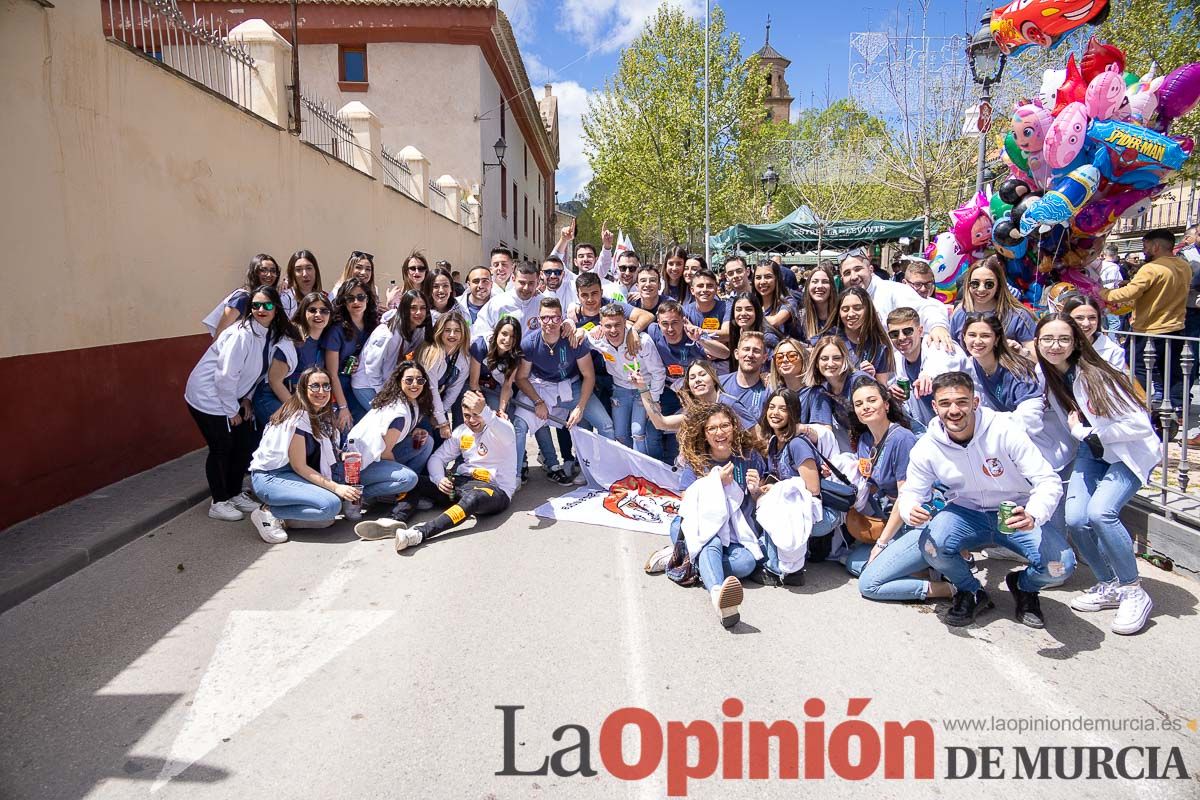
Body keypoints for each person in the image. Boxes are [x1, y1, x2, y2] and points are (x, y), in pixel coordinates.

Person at [898, 372, 1074, 629]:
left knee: (1061, 565)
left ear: (976, 402)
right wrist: (909, 510)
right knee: (931, 547)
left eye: (962, 402)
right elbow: (913, 492)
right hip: (965, 513)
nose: (954, 410)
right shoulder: (926, 447)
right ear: (934, 406)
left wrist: (1033, 513)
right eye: (945, 403)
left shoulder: (1005, 429)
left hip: (1014, 512)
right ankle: (970, 591)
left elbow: (1047, 480)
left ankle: (1024, 587)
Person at [1035, 314, 1157, 635]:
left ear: (1076, 342)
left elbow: (1139, 425)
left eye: (1063, 339)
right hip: (1094, 452)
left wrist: (1085, 432)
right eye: (1047, 339)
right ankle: (1109, 584)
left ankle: (1133, 590)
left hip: (1127, 454)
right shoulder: (1050, 375)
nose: (1055, 345)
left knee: (1101, 513)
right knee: (1076, 518)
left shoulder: (1094, 376)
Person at [186, 285, 298, 520]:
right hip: (208, 396)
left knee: (244, 443)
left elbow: (256, 373)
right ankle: (219, 501)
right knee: (222, 447)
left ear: (276, 309)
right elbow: (225, 376)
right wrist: (231, 410)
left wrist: (245, 400)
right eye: (255, 305)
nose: (260, 309)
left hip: (232, 396)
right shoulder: (241, 334)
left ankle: (234, 492)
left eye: (266, 305)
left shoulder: (268, 334)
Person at [387, 390, 518, 552]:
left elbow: (506, 434)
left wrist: (484, 411)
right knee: (415, 480)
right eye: (467, 415)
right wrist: (439, 478)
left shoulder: (501, 427)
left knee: (474, 498)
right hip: (462, 483)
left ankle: (420, 533)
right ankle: (394, 521)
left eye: (476, 414)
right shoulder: (461, 431)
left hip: (494, 491)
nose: (472, 420)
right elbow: (437, 458)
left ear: (486, 411)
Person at [675, 402, 767, 628]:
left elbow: (761, 499)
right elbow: (687, 501)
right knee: (710, 539)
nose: (719, 433)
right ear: (704, 434)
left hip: (735, 533)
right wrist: (715, 483)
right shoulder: (697, 460)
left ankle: (690, 561)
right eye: (712, 428)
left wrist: (756, 492)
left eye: (725, 426)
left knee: (745, 564)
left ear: (734, 428)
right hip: (700, 529)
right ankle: (718, 597)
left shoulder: (749, 457)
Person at [247, 367, 358, 543]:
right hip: (271, 477)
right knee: (331, 504)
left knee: (326, 519)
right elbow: (299, 466)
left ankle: (283, 520)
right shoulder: (298, 416)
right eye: (315, 386)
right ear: (303, 389)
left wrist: (341, 456)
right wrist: (336, 487)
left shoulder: (318, 412)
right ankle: (268, 512)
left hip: (290, 473)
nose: (321, 391)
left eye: (326, 386)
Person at [514, 297, 616, 485]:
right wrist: (537, 401)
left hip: (571, 386)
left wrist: (580, 407)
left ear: (562, 319)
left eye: (555, 318)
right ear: (538, 319)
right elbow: (521, 377)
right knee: (519, 426)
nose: (550, 323)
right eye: (545, 318)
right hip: (541, 387)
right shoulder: (530, 343)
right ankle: (514, 476)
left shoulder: (573, 339)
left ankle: (603, 471)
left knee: (606, 425)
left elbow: (588, 376)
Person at [1100, 229, 1191, 436]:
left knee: (1136, 369)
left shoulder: (1151, 268)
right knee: (1173, 372)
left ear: (1155, 247)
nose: (1144, 250)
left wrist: (1102, 292)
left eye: (1145, 246)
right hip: (1176, 327)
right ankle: (1176, 408)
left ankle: (1137, 406)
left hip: (1149, 329)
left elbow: (1128, 294)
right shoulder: (1183, 266)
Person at [755, 389, 841, 581]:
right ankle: (781, 564)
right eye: (772, 407)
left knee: (773, 506)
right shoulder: (774, 442)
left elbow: (813, 488)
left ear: (793, 413)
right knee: (767, 501)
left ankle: (779, 570)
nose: (775, 413)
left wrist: (777, 490)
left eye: (782, 409)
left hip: (819, 513)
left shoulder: (797, 444)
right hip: (796, 509)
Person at [347, 361, 437, 534]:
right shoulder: (398, 412)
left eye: (420, 380)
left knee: (427, 443)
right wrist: (403, 476)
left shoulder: (411, 402)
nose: (415, 385)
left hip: (375, 457)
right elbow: (386, 452)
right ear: (399, 381)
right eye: (409, 380)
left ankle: (401, 493)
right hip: (357, 468)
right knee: (409, 479)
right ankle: (360, 496)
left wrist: (415, 430)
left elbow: (393, 438)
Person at [842, 377, 918, 577]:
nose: (865, 407)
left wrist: (881, 544)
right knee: (854, 563)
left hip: (910, 518)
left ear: (886, 404)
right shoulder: (865, 440)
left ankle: (934, 579)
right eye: (859, 404)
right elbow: (872, 483)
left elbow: (905, 498)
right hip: (885, 515)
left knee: (869, 574)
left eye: (871, 400)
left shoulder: (903, 439)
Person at [644, 301, 728, 462]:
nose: (670, 329)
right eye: (665, 324)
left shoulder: (693, 335)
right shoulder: (653, 331)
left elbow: (724, 353)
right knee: (653, 428)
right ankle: (659, 468)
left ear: (683, 321)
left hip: (695, 392)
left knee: (690, 429)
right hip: (668, 389)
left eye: (675, 323)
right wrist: (633, 332)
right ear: (658, 323)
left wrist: (701, 339)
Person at [586, 304, 666, 454]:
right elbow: (579, 336)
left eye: (618, 325)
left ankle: (643, 473)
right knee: (620, 435)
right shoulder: (597, 339)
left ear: (625, 322)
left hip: (644, 390)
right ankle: (629, 472)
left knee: (638, 433)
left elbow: (658, 372)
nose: (613, 330)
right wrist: (573, 325)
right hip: (620, 390)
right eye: (608, 326)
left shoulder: (642, 341)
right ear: (601, 326)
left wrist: (653, 401)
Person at [839, 249, 953, 348]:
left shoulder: (891, 290)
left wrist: (938, 326)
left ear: (871, 269)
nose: (853, 277)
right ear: (842, 278)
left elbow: (926, 308)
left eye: (858, 269)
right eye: (847, 273)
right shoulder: (843, 303)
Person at [885, 307, 969, 432]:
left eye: (908, 331)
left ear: (920, 331)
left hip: (965, 424)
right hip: (931, 431)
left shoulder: (939, 346)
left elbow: (945, 363)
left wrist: (928, 376)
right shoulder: (896, 360)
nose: (901, 338)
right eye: (894, 334)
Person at [960, 312, 1043, 434]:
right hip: (1005, 431)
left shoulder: (1017, 373)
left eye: (985, 336)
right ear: (964, 337)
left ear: (996, 339)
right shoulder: (973, 364)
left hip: (1038, 436)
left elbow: (1031, 419)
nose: (977, 341)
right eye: (972, 335)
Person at [468, 315, 530, 479]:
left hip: (498, 390)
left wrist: (501, 410)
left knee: (501, 422)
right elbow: (473, 383)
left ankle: (516, 462)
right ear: (496, 333)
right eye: (504, 334)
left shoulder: (515, 355)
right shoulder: (480, 346)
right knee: (478, 421)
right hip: (478, 389)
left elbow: (507, 385)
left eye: (513, 336)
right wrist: (481, 406)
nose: (507, 340)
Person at [356, 289, 429, 415]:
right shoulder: (386, 334)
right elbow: (371, 370)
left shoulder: (418, 330)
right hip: (367, 385)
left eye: (423, 308)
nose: (419, 312)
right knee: (388, 420)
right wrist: (385, 394)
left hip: (387, 384)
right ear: (404, 309)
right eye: (413, 308)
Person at [324, 278, 380, 429]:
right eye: (350, 298)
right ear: (344, 302)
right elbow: (332, 374)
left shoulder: (374, 326)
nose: (356, 301)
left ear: (368, 299)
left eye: (361, 297)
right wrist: (343, 408)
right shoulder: (336, 331)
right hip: (342, 389)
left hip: (368, 385)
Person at [633, 359, 722, 450]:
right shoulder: (694, 415)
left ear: (714, 378)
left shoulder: (730, 404)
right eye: (692, 378)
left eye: (702, 375)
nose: (697, 380)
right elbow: (661, 423)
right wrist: (643, 388)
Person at [950, 256, 1036, 349]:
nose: (981, 289)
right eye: (975, 283)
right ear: (968, 285)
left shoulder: (1018, 316)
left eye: (989, 284)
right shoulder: (960, 313)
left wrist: (1021, 352)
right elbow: (952, 351)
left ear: (998, 285)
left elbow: (1036, 356)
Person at [415, 311, 470, 440]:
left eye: (457, 330)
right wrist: (442, 421)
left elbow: (453, 391)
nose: (452, 335)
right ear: (440, 332)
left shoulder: (464, 358)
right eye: (447, 330)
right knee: (427, 439)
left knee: (443, 440)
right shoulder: (431, 354)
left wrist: (440, 415)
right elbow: (431, 389)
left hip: (438, 405)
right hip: (420, 403)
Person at [823, 286, 894, 384]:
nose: (851, 314)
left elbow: (883, 390)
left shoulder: (879, 347)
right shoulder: (828, 339)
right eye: (845, 309)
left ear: (868, 310)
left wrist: (871, 378)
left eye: (857, 308)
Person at [204, 254, 281, 337]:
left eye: (273, 271)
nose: (269, 274)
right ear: (254, 272)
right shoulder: (241, 298)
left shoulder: (273, 298)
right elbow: (220, 333)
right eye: (263, 270)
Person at [472, 261, 544, 340]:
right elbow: (480, 329)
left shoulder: (543, 304)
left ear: (537, 282)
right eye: (522, 283)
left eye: (531, 283)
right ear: (513, 279)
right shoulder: (498, 303)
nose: (526, 288)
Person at [718, 332, 770, 429]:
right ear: (736, 354)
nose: (750, 355)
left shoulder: (768, 390)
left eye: (756, 351)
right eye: (746, 349)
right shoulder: (719, 384)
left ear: (764, 358)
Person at [1061, 293, 1125, 370]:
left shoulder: (1112, 351)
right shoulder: (1054, 347)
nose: (1086, 323)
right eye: (1079, 318)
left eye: (1092, 318)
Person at [727, 292, 779, 371]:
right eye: (738, 310)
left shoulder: (767, 338)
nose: (743, 313)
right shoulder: (737, 333)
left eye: (749, 309)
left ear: (757, 312)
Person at [682, 269, 730, 343]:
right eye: (700, 286)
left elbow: (727, 334)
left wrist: (698, 332)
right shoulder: (685, 311)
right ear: (692, 290)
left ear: (716, 289)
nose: (705, 289)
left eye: (709, 286)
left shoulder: (726, 307)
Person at [793, 261, 837, 342]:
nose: (819, 286)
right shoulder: (799, 318)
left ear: (832, 287)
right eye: (815, 281)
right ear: (808, 287)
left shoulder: (840, 316)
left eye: (825, 282)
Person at [752, 260, 794, 336]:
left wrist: (750, 320)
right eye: (758, 278)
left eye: (768, 277)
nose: (762, 282)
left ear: (777, 278)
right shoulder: (752, 304)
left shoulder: (788, 301)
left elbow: (775, 321)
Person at [280, 250, 323, 320]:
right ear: (293, 274)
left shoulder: (324, 297)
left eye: (309, 268)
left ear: (316, 271)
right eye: (298, 270)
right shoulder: (285, 299)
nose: (305, 274)